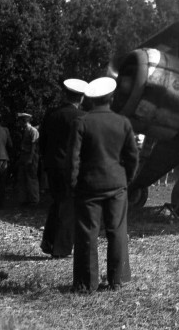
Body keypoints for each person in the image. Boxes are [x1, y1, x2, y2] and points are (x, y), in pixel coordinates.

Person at [69, 77, 139, 293]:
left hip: (89, 186)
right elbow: (133, 157)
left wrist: (74, 184)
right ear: (112, 97)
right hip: (117, 185)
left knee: (87, 234)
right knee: (117, 232)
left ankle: (86, 284)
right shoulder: (123, 122)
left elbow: (74, 159)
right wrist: (126, 179)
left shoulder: (82, 122)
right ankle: (116, 280)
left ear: (90, 99)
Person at [40, 79, 87, 258]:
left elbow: (42, 142)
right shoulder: (82, 116)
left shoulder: (51, 114)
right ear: (81, 98)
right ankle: (61, 249)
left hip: (53, 166)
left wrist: (47, 161)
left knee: (57, 203)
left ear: (66, 95)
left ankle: (48, 241)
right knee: (68, 207)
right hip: (71, 168)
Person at [16, 113, 40, 206]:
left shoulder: (33, 131)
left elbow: (34, 146)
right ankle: (25, 199)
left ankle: (34, 199)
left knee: (31, 178)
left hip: (31, 156)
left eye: (21, 120)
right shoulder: (24, 130)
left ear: (24, 121)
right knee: (22, 177)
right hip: (24, 155)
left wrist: (30, 158)